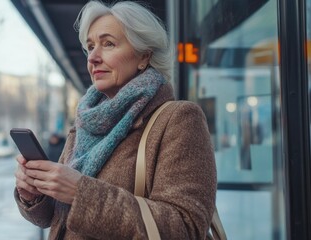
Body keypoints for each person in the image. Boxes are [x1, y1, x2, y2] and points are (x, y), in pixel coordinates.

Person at [14, 1, 216, 239]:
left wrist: (81, 192)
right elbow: (56, 218)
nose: (93, 58)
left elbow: (186, 228)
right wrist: (34, 194)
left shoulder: (179, 120)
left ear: (144, 56)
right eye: (90, 47)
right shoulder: (85, 123)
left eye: (108, 44)